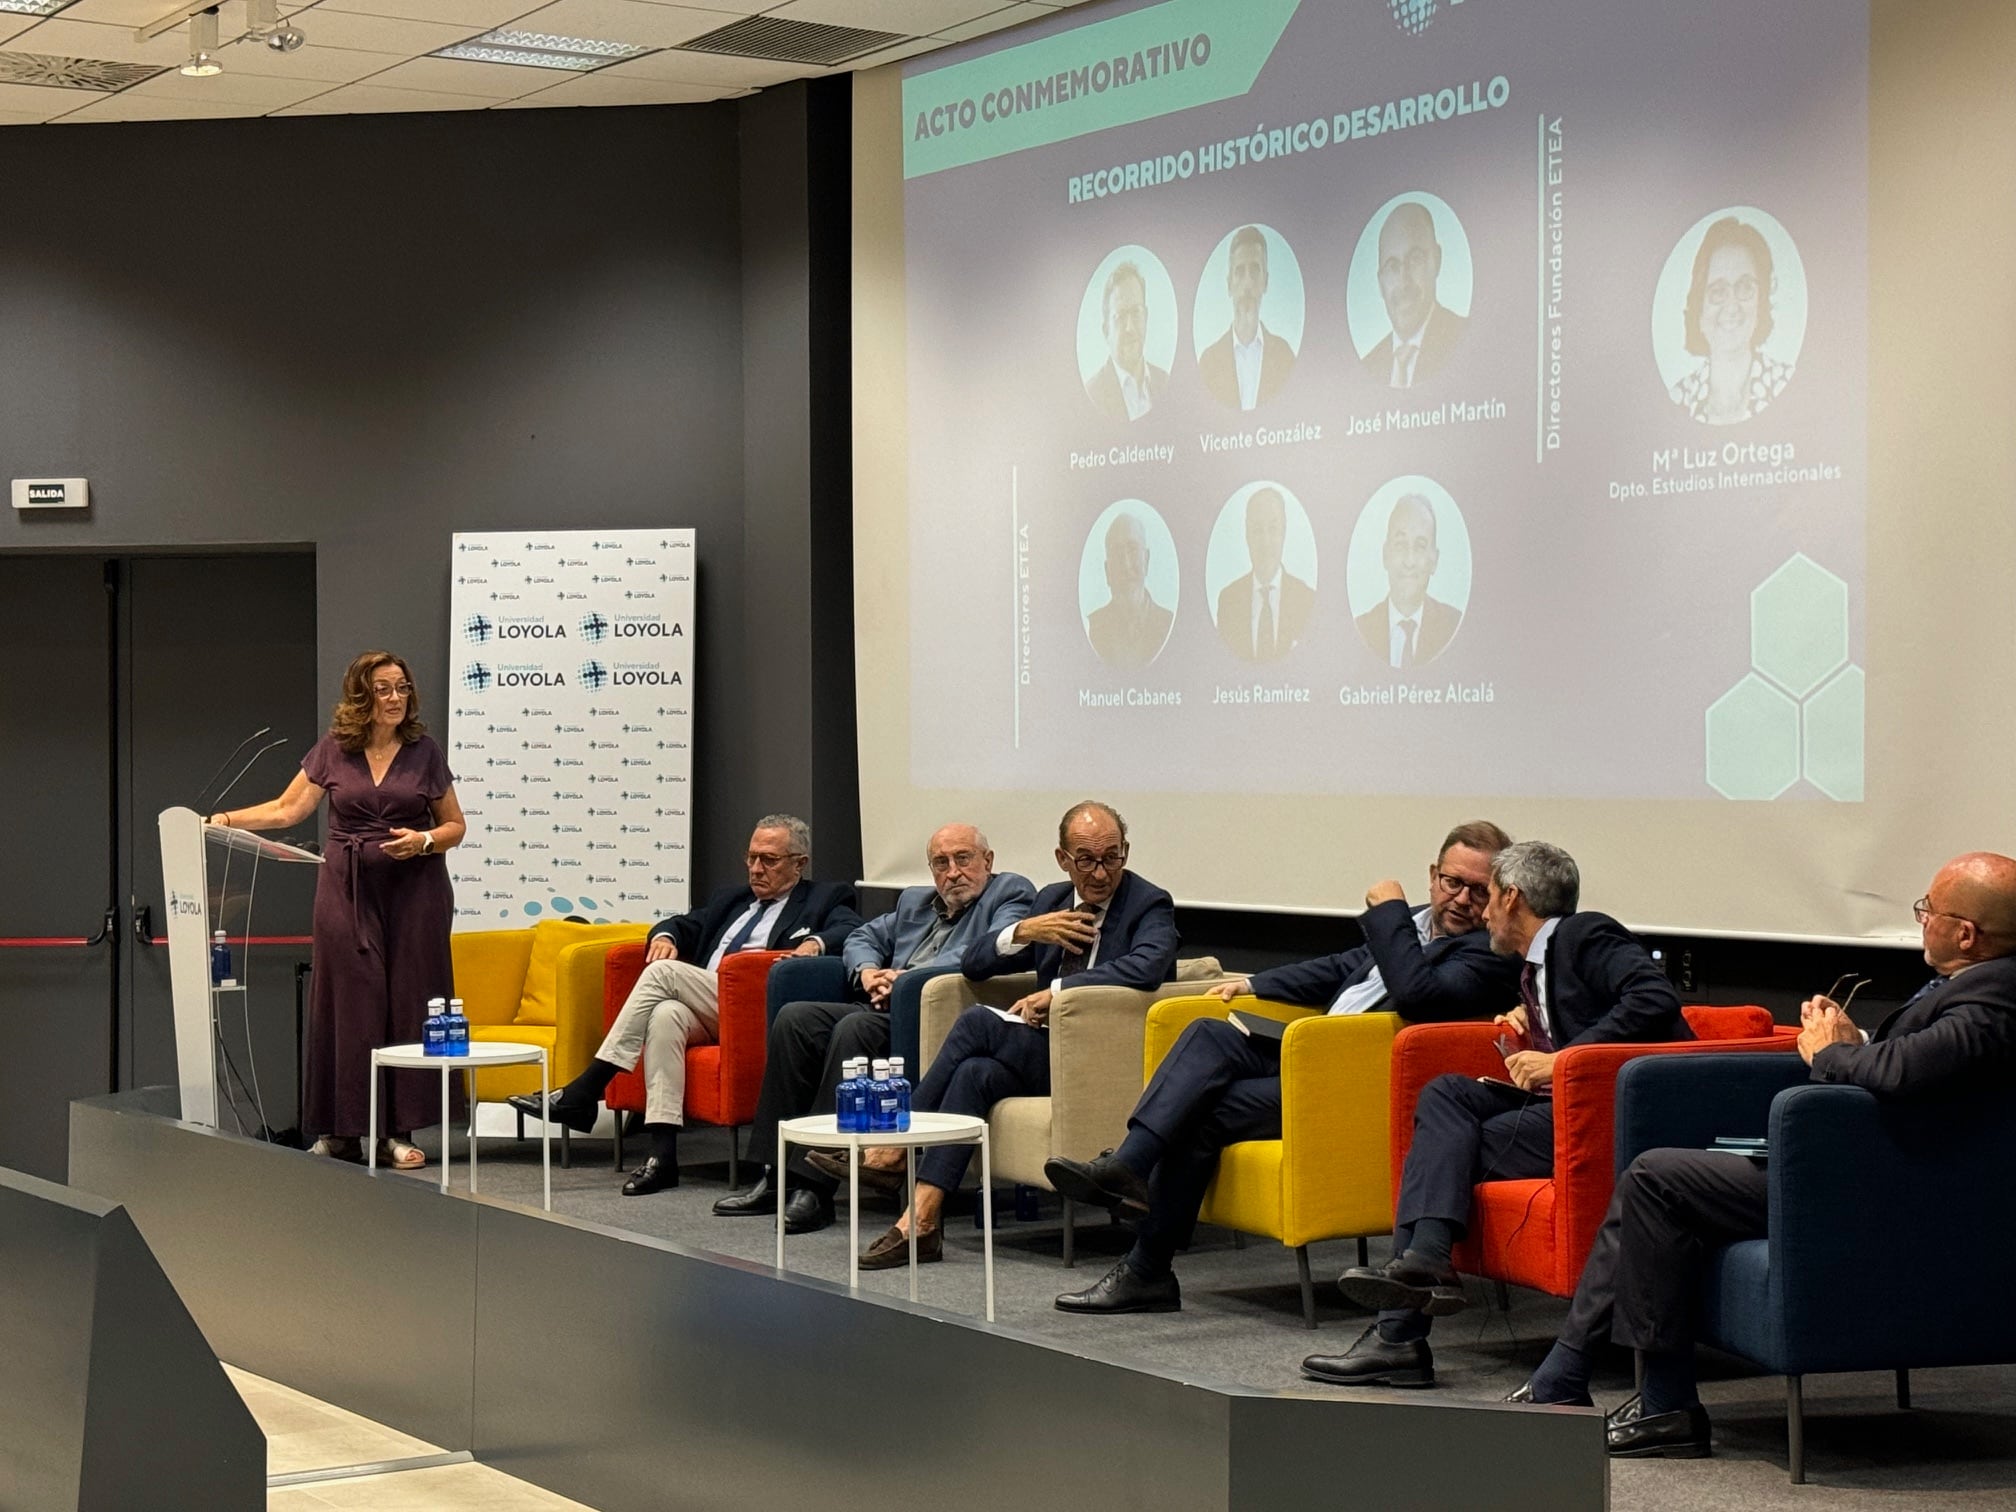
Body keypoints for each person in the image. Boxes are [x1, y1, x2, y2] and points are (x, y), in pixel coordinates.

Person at [1508, 853, 2016, 1459]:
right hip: (1864, 1165)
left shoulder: (1997, 993)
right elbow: (1925, 1065)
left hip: (1887, 1186)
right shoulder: (1974, 987)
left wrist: (1829, 1055)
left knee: (1655, 1180)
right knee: (1667, 1190)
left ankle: (1627, 1391)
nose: (1922, 919)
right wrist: (1854, 1043)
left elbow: (1906, 1071)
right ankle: (1622, 1389)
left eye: (1929, 910)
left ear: (1967, 933)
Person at [1046, 822, 1521, 1315]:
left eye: (1477, 889)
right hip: (1309, 1056)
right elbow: (1341, 967)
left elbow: (1417, 994)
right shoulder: (1415, 926)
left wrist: (1391, 914)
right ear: (1432, 875)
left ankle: (1146, 1264)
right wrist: (1254, 983)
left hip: (1355, 1081)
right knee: (1211, 1033)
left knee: (1201, 1112)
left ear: (1499, 896)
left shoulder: (1491, 952)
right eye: (1452, 882)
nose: (1462, 899)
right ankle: (1130, 1166)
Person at [1305, 840, 1687, 1387]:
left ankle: (1399, 1333)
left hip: (1611, 1116)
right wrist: (1536, 1034)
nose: (1481, 913)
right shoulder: (1536, 966)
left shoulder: (1583, 933)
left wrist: (1560, 1060)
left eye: (1489, 899)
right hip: (1567, 1104)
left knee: (1441, 1154)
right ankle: (1428, 1265)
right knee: (1444, 1095)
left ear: (1512, 897)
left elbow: (1653, 997)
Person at [849, 801, 1180, 1269]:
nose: (1101, 873)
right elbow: (975, 963)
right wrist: (1023, 931)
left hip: (1096, 1059)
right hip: (1044, 1049)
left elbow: (1147, 967)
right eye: (1086, 860)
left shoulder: (1148, 903)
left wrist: (1061, 991)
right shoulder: (1050, 901)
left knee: (978, 1023)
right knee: (974, 1074)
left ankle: (899, 1144)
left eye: (1112, 857)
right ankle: (921, 1220)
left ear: (1125, 851)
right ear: (1063, 859)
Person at [505, 815, 860, 1195]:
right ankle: (663, 1157)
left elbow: (851, 929)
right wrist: (666, 936)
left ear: (799, 863)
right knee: (665, 1015)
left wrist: (816, 943)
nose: (756, 869)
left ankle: (586, 1088)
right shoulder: (732, 900)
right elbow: (683, 923)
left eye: (769, 860)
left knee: (663, 975)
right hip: (711, 1006)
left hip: (757, 1011)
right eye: (751, 857)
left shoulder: (825, 898)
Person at [210, 651, 465, 1170]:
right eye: (384, 690)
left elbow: (454, 826)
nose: (396, 699)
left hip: (415, 892)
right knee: (346, 1002)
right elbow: (288, 810)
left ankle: (397, 1132)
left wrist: (421, 842)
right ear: (362, 697)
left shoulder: (424, 751)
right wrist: (223, 819)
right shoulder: (333, 750)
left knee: (406, 1003)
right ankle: (341, 1130)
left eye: (402, 688)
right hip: (344, 889)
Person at [712, 824, 1035, 1232]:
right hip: (882, 1002)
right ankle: (775, 1174)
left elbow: (984, 950)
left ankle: (815, 1189)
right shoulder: (916, 901)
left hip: (935, 1013)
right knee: (796, 1018)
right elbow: (862, 936)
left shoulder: (1009, 893)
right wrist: (867, 973)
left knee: (855, 1027)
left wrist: (903, 978)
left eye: (963, 859)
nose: (952, 872)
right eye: (941, 863)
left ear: (987, 861)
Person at [1668, 215, 1794, 425]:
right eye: (1718, 291)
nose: (1732, 306)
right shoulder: (1678, 399)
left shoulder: (1786, 382)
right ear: (1698, 310)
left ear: (1760, 302)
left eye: (1745, 287)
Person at [1359, 200, 1468, 388]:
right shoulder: (1368, 366)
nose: (1404, 281)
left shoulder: (1464, 338)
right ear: (1380, 283)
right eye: (1393, 267)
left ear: (1436, 260)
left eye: (1415, 259)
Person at [1353, 494, 1462, 668]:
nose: (1409, 561)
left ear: (1434, 561)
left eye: (1420, 546)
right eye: (1400, 545)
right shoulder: (1360, 629)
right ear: (1385, 555)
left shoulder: (1454, 627)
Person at [1198, 225, 1296, 411]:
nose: (1247, 283)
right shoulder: (1208, 363)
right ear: (1229, 284)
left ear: (1265, 282)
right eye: (1240, 272)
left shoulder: (1285, 356)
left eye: (1254, 271)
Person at [1215, 486, 1315, 661]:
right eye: (1257, 530)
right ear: (1247, 536)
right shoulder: (1228, 601)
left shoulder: (1307, 600)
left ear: (1284, 533)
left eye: (1273, 529)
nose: (1265, 542)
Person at [1085, 511, 1175, 667]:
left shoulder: (1169, 625)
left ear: (1146, 559)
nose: (1126, 565)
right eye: (1117, 553)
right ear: (1107, 570)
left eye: (1132, 550)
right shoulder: (1092, 629)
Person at [1084, 261, 1169, 421]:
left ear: (1146, 317)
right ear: (1106, 331)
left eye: (1136, 312)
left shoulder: (1165, 382)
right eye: (1120, 316)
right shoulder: (1093, 395)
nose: (1130, 327)